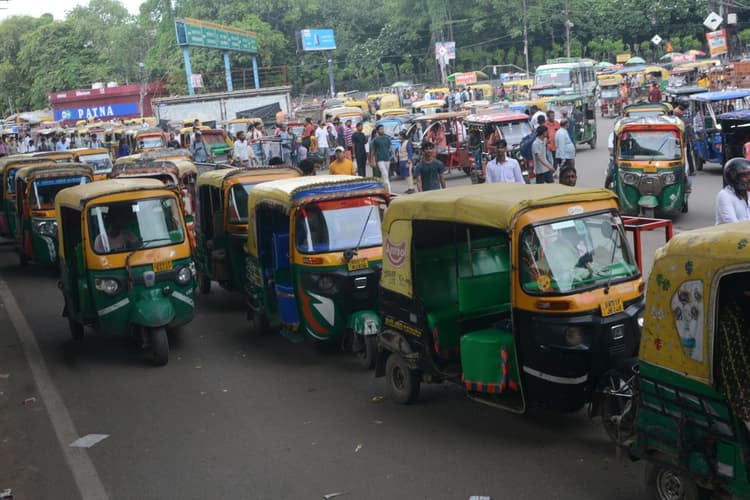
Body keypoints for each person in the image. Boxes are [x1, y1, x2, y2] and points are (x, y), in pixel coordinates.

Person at [716, 158, 750, 224]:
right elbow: (732, 223)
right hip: (732, 230)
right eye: (744, 176)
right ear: (734, 177)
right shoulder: (725, 196)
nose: (749, 178)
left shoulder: (748, 193)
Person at [369, 124, 393, 192]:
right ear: (377, 131)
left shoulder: (387, 138)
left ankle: (383, 188)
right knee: (385, 174)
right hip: (380, 160)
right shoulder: (375, 140)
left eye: (383, 129)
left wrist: (392, 153)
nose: (382, 130)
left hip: (387, 159)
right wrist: (372, 161)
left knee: (385, 175)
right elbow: (372, 152)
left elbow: (390, 147)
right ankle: (389, 191)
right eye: (381, 129)